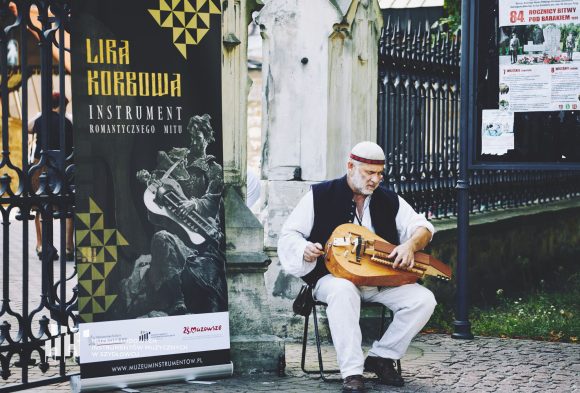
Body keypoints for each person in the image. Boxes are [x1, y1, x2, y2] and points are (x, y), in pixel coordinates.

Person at [278, 141, 437, 392]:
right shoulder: (320, 195)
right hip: (332, 278)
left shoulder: (389, 200)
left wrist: (410, 246)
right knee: (343, 291)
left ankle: (382, 357)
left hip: (379, 281)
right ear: (350, 166)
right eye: (369, 173)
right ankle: (352, 373)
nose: (375, 179)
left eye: (380, 173)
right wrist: (303, 249)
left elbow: (423, 227)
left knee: (423, 299)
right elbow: (289, 235)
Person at [128, 113, 227, 318]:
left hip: (202, 235)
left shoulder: (214, 169)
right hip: (176, 231)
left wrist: (195, 204)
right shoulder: (177, 159)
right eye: (190, 136)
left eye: (198, 137)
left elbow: (214, 200)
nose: (193, 141)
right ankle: (177, 299)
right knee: (161, 238)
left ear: (207, 138)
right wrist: (148, 178)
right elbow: (160, 184)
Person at [28, 91, 74, 260]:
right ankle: (69, 247)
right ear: (62, 105)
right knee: (67, 207)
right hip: (62, 167)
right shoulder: (67, 122)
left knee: (40, 207)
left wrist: (41, 113)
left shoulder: (40, 120)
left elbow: (27, 127)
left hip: (40, 166)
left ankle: (41, 246)